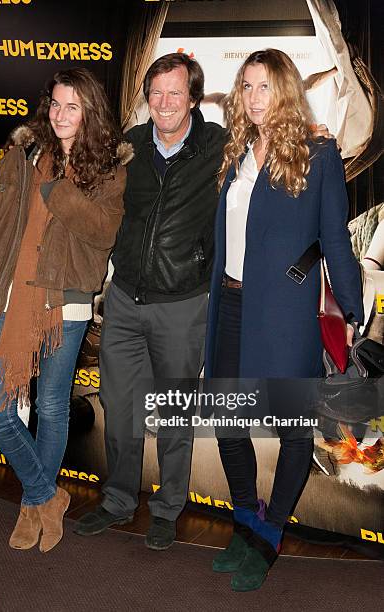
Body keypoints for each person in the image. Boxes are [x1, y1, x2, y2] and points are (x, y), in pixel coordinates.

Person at [204, 49, 364, 590]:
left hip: (286, 313)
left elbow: (335, 238)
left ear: (286, 91)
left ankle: (270, 534)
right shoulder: (237, 151)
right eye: (245, 86)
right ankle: (246, 519)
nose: (252, 97)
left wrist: (351, 312)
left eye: (264, 86)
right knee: (227, 422)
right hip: (229, 306)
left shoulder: (319, 154)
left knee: (293, 431)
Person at [0, 68, 131, 553]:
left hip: (68, 299)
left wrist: (57, 189)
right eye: (56, 104)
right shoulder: (20, 157)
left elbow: (104, 232)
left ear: (90, 111)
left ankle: (29, 506)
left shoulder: (109, 167)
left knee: (52, 406)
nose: (61, 115)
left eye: (73, 106)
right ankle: (44, 494)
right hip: (10, 298)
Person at [74, 53, 226, 550]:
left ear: (193, 98)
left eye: (174, 93)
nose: (163, 104)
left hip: (183, 304)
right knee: (120, 409)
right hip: (123, 301)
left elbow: (274, 149)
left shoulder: (217, 147)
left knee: (175, 415)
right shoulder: (130, 147)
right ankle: (118, 501)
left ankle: (167, 509)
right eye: (155, 93)